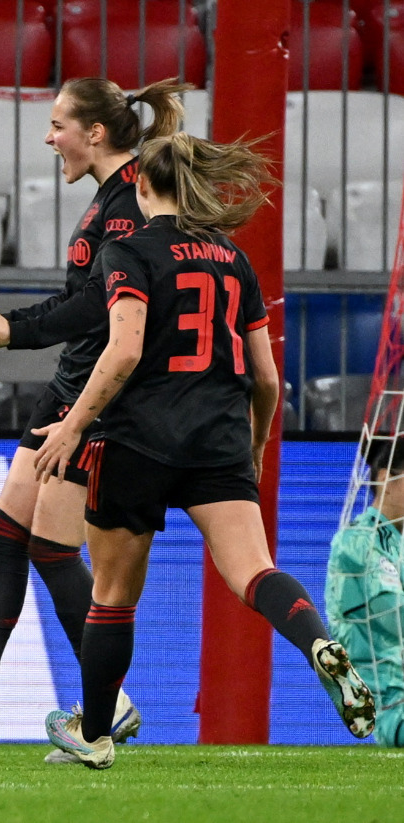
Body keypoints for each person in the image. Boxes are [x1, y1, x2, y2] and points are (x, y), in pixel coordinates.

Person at [36, 132, 375, 769]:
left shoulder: (126, 251)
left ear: (140, 187)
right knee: (255, 572)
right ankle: (319, 643)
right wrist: (254, 445)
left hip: (137, 438)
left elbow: (125, 349)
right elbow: (268, 377)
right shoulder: (232, 259)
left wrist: (73, 425)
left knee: (111, 595)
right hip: (218, 439)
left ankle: (95, 737)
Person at [0, 78, 190, 762]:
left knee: (49, 546)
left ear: (95, 133)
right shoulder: (113, 198)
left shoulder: (127, 207)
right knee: (7, 528)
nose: (49, 136)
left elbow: (92, 307)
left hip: (93, 396)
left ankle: (105, 703)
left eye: (59, 124)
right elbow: (82, 299)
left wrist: (9, 331)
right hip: (69, 384)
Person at [327, 439, 404, 748]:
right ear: (386, 476)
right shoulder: (358, 540)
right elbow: (392, 616)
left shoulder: (397, 542)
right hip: (393, 707)